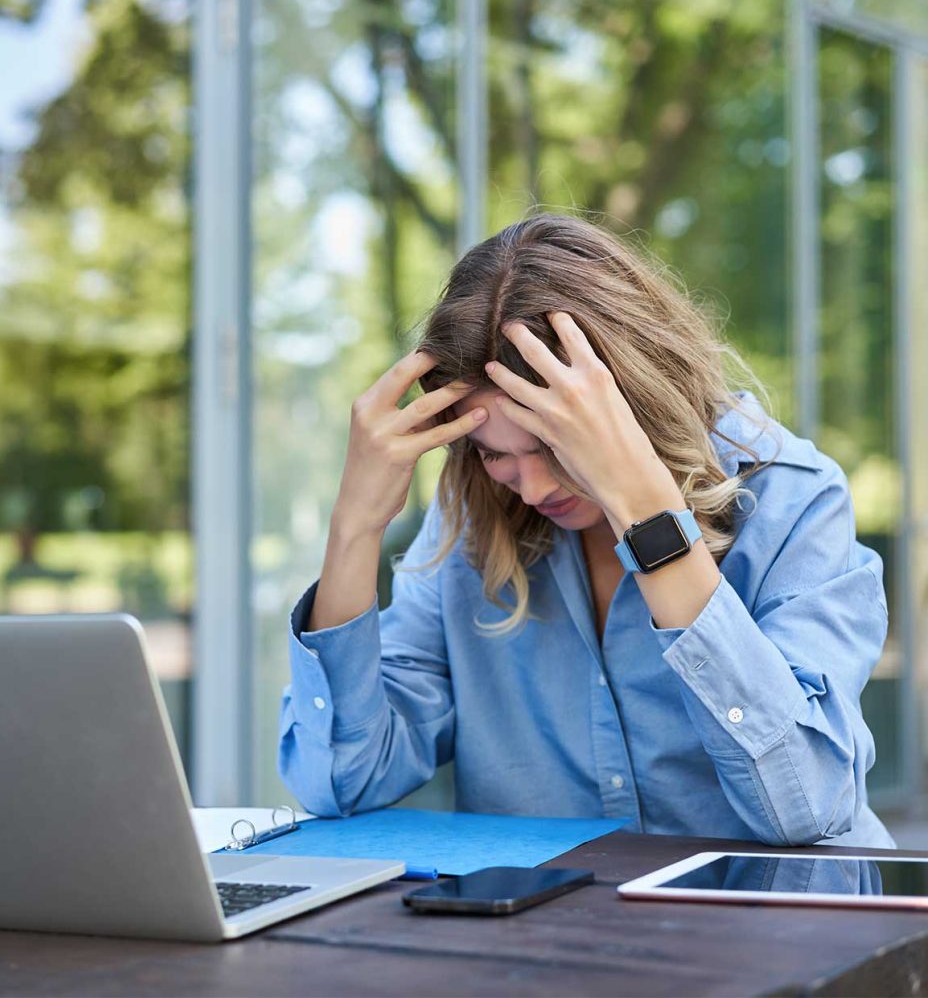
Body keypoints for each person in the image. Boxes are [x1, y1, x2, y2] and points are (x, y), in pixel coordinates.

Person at [278, 213, 895, 848]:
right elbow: (342, 781)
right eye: (496, 454)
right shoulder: (472, 518)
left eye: (556, 448)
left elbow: (806, 804)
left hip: (771, 934)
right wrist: (354, 528)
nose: (535, 488)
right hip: (552, 935)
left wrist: (647, 515)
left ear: (638, 407)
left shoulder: (793, 498)